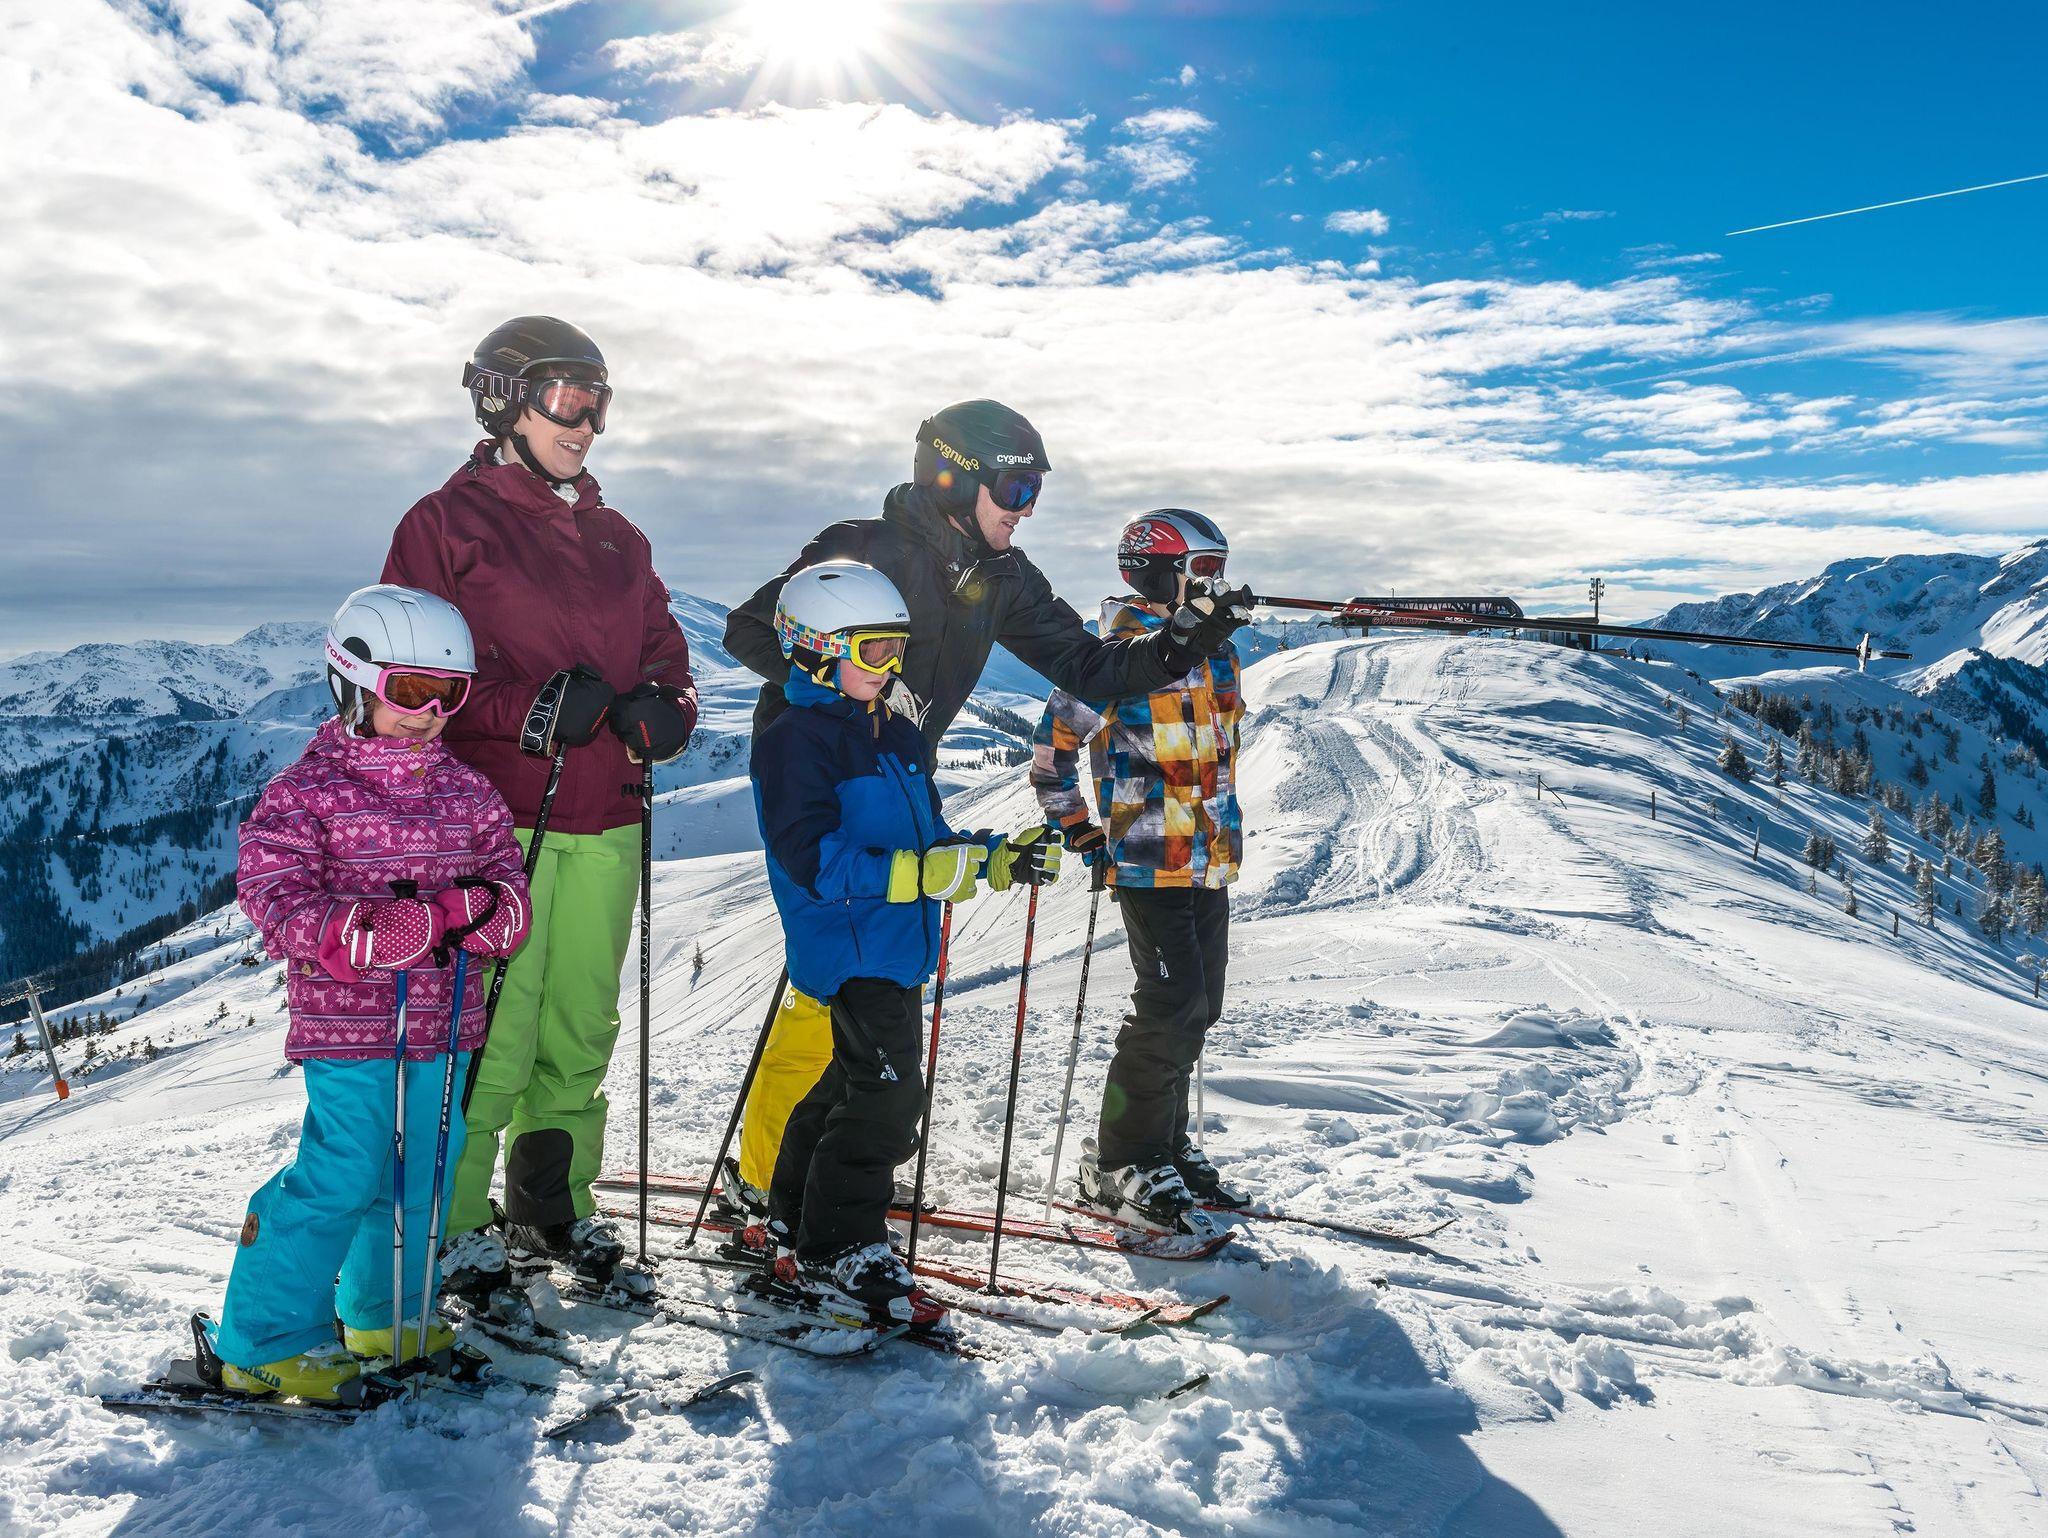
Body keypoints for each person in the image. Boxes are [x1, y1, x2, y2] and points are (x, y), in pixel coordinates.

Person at [720, 401, 1252, 1213]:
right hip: (822, 779)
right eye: (1014, 488)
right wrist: (856, 701)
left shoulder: (1003, 577)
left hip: (903, 779)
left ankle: (836, 1169)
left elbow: (1092, 667)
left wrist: (1183, 641)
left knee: (882, 986)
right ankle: (762, 1184)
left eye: (1034, 491)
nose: (1024, 508)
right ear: (951, 478)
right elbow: (749, 630)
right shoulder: (863, 547)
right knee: (826, 990)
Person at [382, 316, 697, 1305]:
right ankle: (454, 1221)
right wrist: (526, 710)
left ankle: (551, 1204)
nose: (586, 422)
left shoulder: (619, 538)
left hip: (607, 815)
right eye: (566, 397)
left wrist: (667, 709)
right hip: (496, 820)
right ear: (503, 401)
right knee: (494, 1026)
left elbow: (667, 653)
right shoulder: (445, 525)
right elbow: (405, 678)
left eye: (599, 402)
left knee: (579, 1023)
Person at [213, 586, 531, 1401]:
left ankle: (385, 1315)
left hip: (444, 1024)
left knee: (423, 1174)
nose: (429, 713)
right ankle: (261, 1339)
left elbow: (505, 881)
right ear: (352, 683)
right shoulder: (307, 792)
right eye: (410, 691)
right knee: (343, 1173)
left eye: (448, 694)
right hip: (350, 1027)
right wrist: (355, 931)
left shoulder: (468, 792)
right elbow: (273, 892)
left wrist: (494, 913)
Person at [751, 561, 1060, 1323]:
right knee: (888, 1098)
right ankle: (840, 1246)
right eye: (875, 650)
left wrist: (996, 858)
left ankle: (792, 1219)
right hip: (849, 942)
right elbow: (809, 858)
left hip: (893, 941)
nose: (891, 666)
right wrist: (915, 873)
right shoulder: (795, 739)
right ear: (816, 647)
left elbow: (932, 840)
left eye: (897, 649)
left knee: (848, 1085)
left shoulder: (893, 733)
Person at [1030, 511, 1253, 1236]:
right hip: (1146, 859)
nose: (1214, 581)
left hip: (1208, 858)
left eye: (1220, 568)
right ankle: (1120, 1159)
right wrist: (1080, 828)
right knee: (1168, 1004)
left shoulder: (1219, 655)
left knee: (1201, 1005)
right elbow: (1051, 757)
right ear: (1158, 571)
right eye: (1203, 568)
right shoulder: (1111, 661)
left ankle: (1165, 1147)